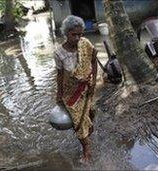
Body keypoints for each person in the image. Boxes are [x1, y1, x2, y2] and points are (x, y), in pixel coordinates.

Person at [54, 15, 97, 163]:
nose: (78, 38)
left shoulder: (85, 44)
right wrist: (59, 95)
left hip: (87, 87)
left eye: (80, 34)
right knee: (77, 122)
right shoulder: (59, 53)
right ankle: (86, 148)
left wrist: (93, 84)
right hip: (71, 92)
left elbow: (93, 60)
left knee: (91, 111)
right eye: (74, 34)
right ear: (66, 33)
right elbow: (59, 75)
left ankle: (89, 129)